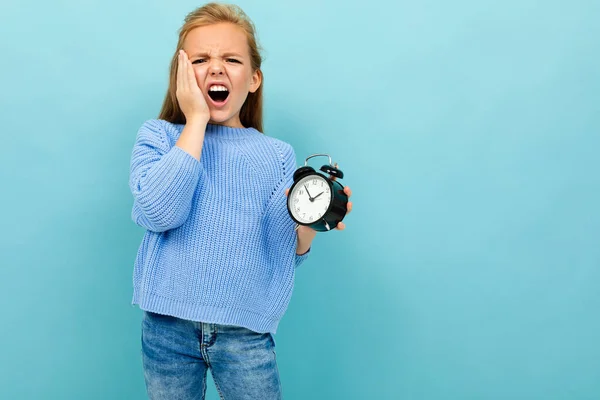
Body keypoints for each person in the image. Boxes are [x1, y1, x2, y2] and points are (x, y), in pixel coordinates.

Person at [128, 2, 353, 399]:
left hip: (246, 334)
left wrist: (313, 220)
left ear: (253, 79)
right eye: (200, 59)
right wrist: (194, 120)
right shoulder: (159, 137)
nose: (216, 68)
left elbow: (284, 248)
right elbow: (159, 212)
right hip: (167, 329)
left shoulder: (277, 155)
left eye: (231, 59)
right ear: (180, 77)